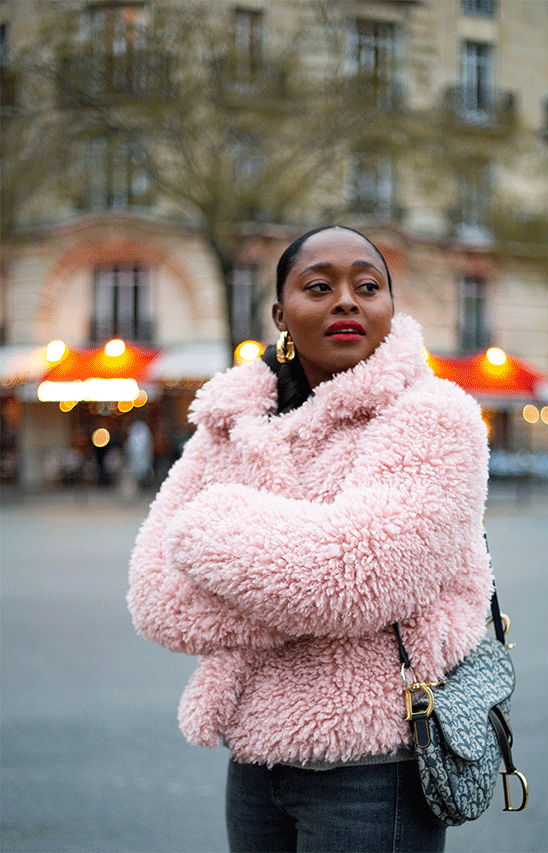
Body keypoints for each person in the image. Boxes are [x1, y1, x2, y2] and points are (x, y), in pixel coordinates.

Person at [127, 226, 492, 853]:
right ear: (280, 314)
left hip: (377, 759)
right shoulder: (235, 425)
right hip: (254, 758)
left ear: (390, 308)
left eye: (367, 287)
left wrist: (213, 527)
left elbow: (357, 578)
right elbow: (155, 598)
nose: (347, 301)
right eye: (319, 286)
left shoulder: (434, 415)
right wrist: (294, 589)